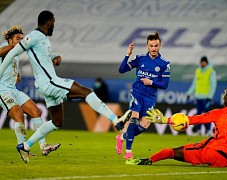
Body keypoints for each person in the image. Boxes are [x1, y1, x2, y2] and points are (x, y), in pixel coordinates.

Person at [0, 10, 131, 163]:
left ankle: (26, 146)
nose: (54, 26)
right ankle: (116, 120)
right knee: (85, 91)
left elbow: (41, 56)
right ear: (49, 22)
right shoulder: (33, 36)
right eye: (53, 23)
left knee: (57, 122)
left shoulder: (42, 39)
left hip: (44, 85)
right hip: (49, 82)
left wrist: (55, 57)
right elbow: (10, 53)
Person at [128, 87, 227, 167]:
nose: (223, 99)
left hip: (212, 152)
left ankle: (148, 160)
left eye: (224, 97)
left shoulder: (220, 113)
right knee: (211, 143)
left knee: (171, 152)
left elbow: (192, 120)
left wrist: (163, 120)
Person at [0, 25, 60, 157]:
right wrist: (15, 46)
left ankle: (43, 147)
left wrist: (16, 74)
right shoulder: (5, 47)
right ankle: (23, 150)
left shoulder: (14, 53)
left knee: (36, 111)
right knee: (19, 115)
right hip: (2, 90)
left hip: (13, 89)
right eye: (17, 38)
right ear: (10, 40)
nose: (20, 41)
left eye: (22, 38)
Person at [116, 32, 171, 159]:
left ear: (160, 45)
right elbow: (122, 69)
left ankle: (122, 137)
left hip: (150, 97)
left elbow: (164, 84)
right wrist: (127, 54)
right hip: (137, 92)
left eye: (156, 45)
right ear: (147, 45)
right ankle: (128, 152)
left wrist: (150, 82)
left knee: (145, 124)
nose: (153, 48)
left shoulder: (165, 63)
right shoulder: (140, 58)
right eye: (151, 46)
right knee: (134, 118)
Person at [187, 56, 217, 136]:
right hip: (198, 97)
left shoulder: (211, 71)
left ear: (206, 62)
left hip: (206, 97)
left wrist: (210, 97)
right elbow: (194, 84)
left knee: (207, 115)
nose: (203, 63)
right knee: (199, 115)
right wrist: (189, 93)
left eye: (204, 62)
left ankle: (207, 131)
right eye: (202, 62)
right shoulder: (198, 71)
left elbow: (213, 85)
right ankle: (199, 130)